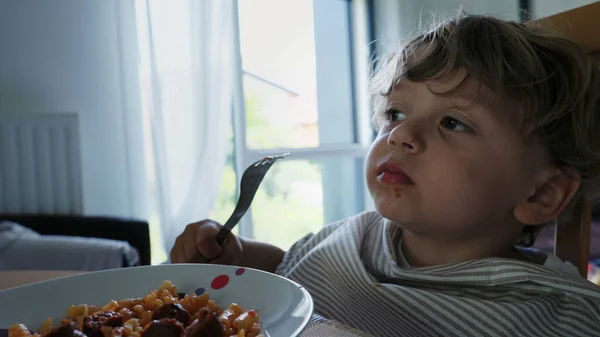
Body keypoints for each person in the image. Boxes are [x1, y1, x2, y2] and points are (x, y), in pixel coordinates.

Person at [171, 13, 600, 336]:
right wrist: (239, 257)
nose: (400, 135)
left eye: (453, 123)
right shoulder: (351, 239)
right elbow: (290, 269)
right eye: (395, 112)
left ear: (542, 194)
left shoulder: (560, 316)